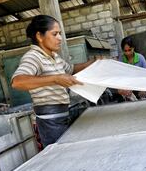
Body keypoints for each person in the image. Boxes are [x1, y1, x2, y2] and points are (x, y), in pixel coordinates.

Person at [11, 15, 96, 148]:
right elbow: (18, 82)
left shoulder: (54, 57)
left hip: (62, 115)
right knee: (60, 155)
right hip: (50, 121)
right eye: (55, 34)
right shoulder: (33, 57)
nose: (60, 38)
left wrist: (94, 63)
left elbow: (71, 70)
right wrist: (55, 79)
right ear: (39, 36)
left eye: (60, 34)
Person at [117, 36, 146, 101]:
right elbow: (120, 77)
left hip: (140, 85)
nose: (128, 53)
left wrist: (143, 88)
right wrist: (122, 89)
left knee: (143, 96)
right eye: (125, 51)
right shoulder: (121, 60)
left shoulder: (140, 58)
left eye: (129, 50)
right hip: (128, 86)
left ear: (133, 48)